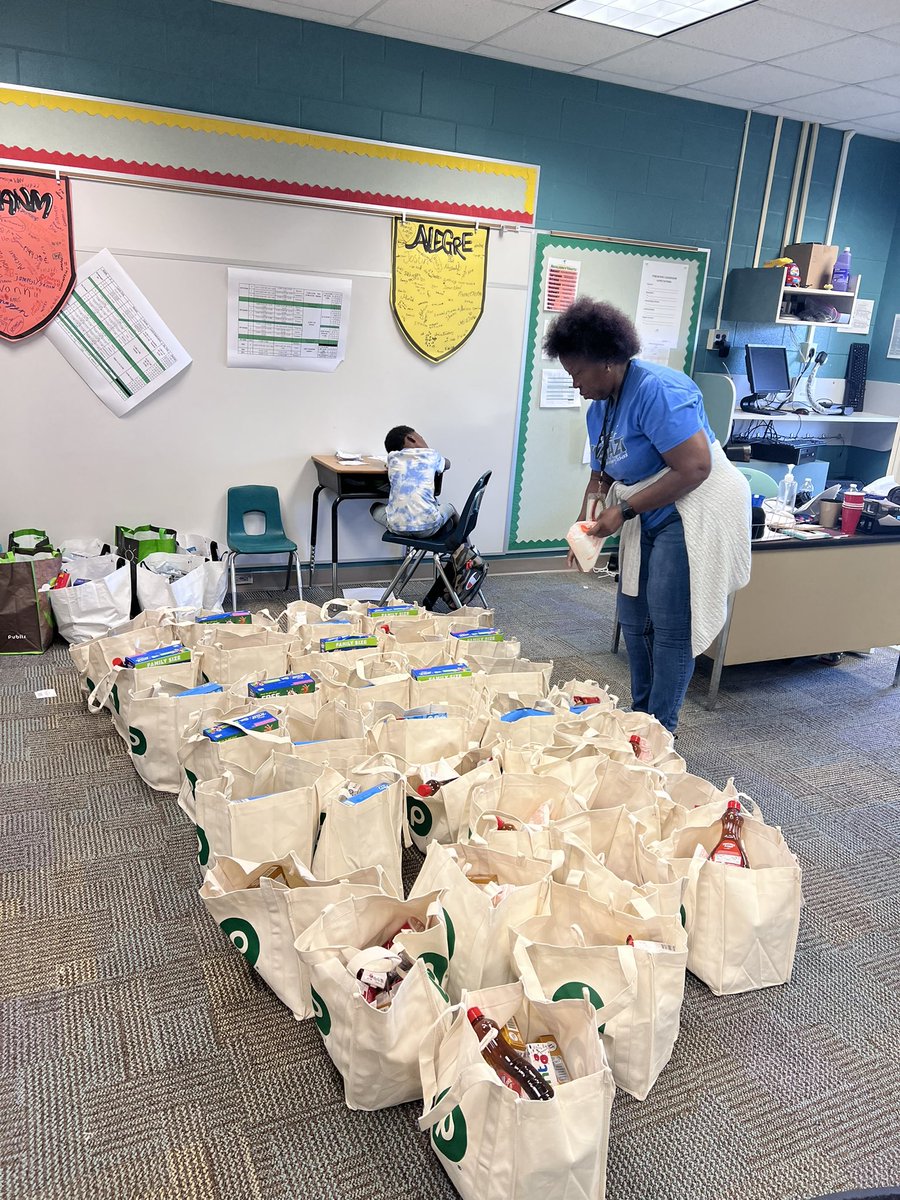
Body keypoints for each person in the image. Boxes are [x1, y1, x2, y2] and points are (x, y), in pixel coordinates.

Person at [544, 297, 750, 733]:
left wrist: (624, 510)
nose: (574, 383)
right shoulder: (600, 406)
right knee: (634, 620)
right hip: (644, 506)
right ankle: (641, 718)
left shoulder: (657, 389)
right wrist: (586, 527)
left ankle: (662, 730)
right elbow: (600, 475)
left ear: (607, 361)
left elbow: (695, 467)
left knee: (670, 624)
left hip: (694, 502)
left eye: (577, 372)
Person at [371, 425, 456, 536]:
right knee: (451, 508)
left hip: (397, 528)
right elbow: (448, 464)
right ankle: (463, 546)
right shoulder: (431, 454)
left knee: (375, 507)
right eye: (421, 437)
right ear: (412, 438)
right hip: (429, 528)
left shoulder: (392, 458)